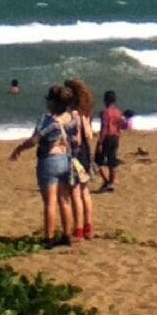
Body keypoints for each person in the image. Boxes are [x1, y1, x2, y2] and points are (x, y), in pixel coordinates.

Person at [10, 85, 80, 249]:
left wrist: (19, 149)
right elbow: (75, 139)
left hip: (49, 159)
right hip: (65, 158)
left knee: (49, 202)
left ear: (53, 102)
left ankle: (48, 238)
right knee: (64, 199)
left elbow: (34, 140)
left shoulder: (47, 120)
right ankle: (67, 235)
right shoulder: (72, 118)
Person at [64, 77, 95, 240]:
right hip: (86, 152)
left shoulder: (73, 114)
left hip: (76, 154)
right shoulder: (86, 112)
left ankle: (79, 229)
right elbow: (89, 135)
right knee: (85, 191)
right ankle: (88, 226)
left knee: (75, 192)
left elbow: (76, 138)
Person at [95, 90, 123, 193]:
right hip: (115, 137)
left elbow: (104, 128)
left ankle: (106, 181)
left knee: (97, 162)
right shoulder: (118, 112)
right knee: (112, 161)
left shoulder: (105, 113)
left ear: (105, 100)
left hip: (107, 137)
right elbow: (120, 126)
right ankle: (111, 183)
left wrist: (100, 142)